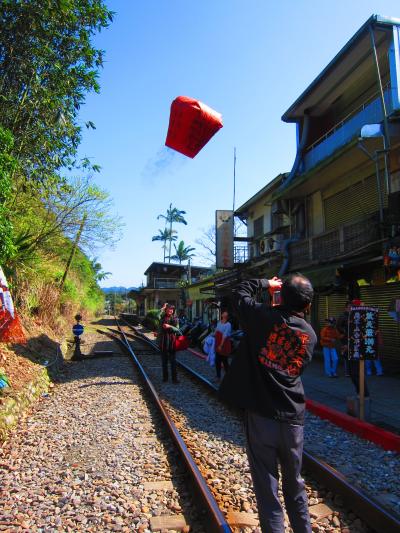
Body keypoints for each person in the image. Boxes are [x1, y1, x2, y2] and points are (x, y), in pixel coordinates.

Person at [219, 274, 317, 533]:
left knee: (267, 486)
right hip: (293, 418)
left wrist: (265, 283)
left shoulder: (261, 318)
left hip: (262, 416)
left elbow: (239, 293)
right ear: (308, 305)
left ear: (280, 297)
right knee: (295, 485)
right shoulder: (310, 335)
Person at [158, 303, 180, 383]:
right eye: (169, 309)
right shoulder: (162, 317)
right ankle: (165, 378)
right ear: (166, 310)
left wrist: (169, 326)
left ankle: (174, 379)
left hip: (171, 341)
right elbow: (157, 315)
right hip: (163, 341)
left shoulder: (175, 319)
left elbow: (177, 330)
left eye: (172, 309)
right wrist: (162, 308)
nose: (170, 310)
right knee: (164, 361)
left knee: (173, 361)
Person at [214, 310, 232, 380]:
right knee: (217, 361)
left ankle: (229, 377)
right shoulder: (219, 323)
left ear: (227, 316)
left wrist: (221, 345)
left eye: (225, 314)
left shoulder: (228, 324)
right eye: (223, 313)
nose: (224, 314)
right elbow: (216, 331)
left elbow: (225, 335)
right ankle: (218, 376)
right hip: (218, 343)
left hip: (224, 344)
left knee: (225, 361)